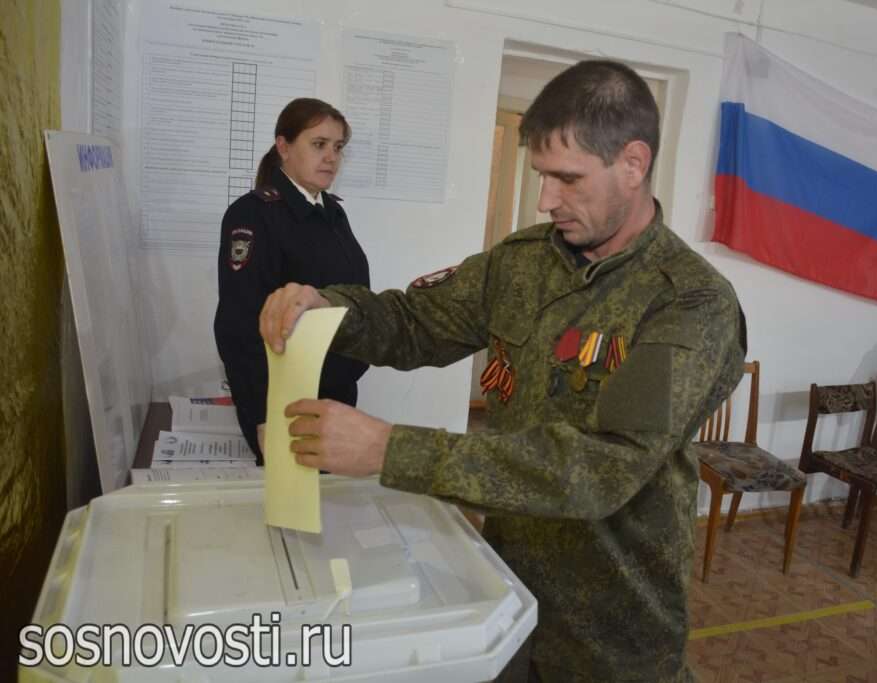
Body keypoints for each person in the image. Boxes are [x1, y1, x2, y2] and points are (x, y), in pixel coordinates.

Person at [260, 61, 746, 682]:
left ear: (633, 163)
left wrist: (390, 449)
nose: (546, 200)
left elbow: (600, 467)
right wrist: (329, 308)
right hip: (508, 592)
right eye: (542, 175)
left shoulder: (691, 302)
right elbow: (416, 322)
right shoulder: (521, 263)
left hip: (614, 628)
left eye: (567, 178)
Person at [214, 98, 370, 462]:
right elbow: (238, 325)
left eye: (338, 147)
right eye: (319, 144)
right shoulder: (254, 215)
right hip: (286, 405)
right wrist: (261, 415)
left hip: (335, 395)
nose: (331, 157)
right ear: (284, 147)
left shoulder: (332, 212)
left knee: (329, 495)